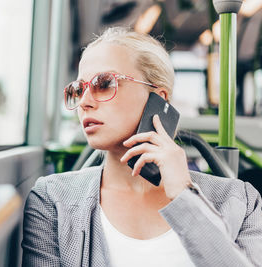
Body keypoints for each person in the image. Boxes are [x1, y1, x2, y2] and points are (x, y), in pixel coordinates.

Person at [21, 27, 262, 267]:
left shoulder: (240, 201)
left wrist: (183, 194)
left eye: (104, 83)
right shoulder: (53, 200)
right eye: (79, 89)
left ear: (159, 98)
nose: (84, 102)